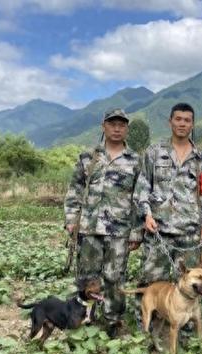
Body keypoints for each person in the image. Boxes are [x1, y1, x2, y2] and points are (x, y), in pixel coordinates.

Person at [63, 108, 141, 338]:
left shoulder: (135, 160)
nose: (117, 128)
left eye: (121, 124)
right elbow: (75, 189)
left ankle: (113, 322)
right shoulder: (89, 157)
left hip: (120, 231)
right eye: (112, 123)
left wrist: (137, 231)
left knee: (115, 278)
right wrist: (70, 219)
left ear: (126, 128)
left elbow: (139, 197)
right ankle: (85, 318)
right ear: (103, 126)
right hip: (89, 228)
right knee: (87, 277)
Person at [134, 101, 202, 294]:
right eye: (178, 119)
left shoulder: (200, 156)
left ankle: (183, 323)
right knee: (151, 283)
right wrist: (147, 215)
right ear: (170, 122)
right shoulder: (155, 152)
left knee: (189, 287)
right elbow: (142, 187)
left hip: (189, 233)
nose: (182, 124)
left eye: (187, 120)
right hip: (159, 231)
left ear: (192, 124)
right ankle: (148, 323)